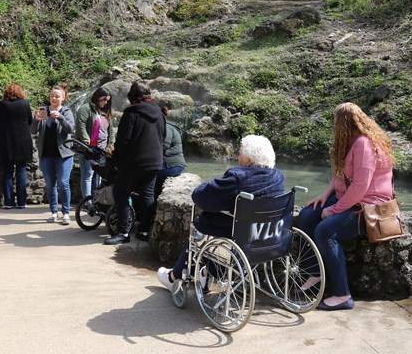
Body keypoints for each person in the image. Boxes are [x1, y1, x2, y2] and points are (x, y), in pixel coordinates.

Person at [295, 102, 395, 311]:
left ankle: (342, 295)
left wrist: (333, 210)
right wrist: (324, 196)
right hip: (350, 199)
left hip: (368, 208)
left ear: (343, 124)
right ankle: (314, 273)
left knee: (325, 231)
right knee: (306, 216)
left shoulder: (363, 144)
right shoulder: (352, 141)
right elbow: (341, 176)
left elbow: (360, 186)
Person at [157, 135, 285, 290]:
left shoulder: (239, 177)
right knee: (224, 223)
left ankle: (174, 277)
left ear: (249, 160)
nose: (238, 157)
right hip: (268, 236)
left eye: (240, 153)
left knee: (203, 224)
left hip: (239, 237)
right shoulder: (278, 177)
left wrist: (204, 187)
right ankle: (207, 273)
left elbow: (203, 198)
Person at [104, 81, 165, 245]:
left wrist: (116, 157)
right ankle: (144, 230)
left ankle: (123, 232)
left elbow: (123, 141)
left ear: (132, 96)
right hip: (155, 161)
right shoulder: (159, 112)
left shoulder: (132, 113)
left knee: (121, 193)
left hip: (134, 162)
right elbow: (163, 136)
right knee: (147, 194)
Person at [31, 83, 76, 225]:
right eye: (52, 96)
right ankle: (53, 212)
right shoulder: (43, 110)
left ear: (63, 98)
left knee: (63, 183)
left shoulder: (67, 111)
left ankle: (66, 213)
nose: (54, 98)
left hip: (64, 155)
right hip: (46, 154)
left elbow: (71, 129)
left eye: (57, 96)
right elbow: (32, 131)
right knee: (50, 184)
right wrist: (36, 120)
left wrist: (61, 117)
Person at [0, 83, 33, 209]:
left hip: (6, 143)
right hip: (22, 142)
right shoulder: (25, 104)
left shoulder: (1, 105)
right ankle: (22, 202)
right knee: (21, 171)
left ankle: (8, 202)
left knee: (8, 172)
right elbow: (30, 121)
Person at [74, 87, 113, 203]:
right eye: (104, 99)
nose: (105, 102)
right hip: (88, 149)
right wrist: (87, 143)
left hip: (102, 149)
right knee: (88, 175)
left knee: (99, 175)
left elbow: (110, 129)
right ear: (97, 97)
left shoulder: (105, 111)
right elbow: (80, 125)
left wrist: (111, 143)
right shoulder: (85, 109)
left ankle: (97, 200)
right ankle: (88, 202)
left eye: (107, 101)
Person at [154, 105, 186, 198]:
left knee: (148, 180)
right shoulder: (162, 126)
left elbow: (163, 147)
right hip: (170, 165)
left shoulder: (166, 127)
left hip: (171, 165)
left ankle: (149, 209)